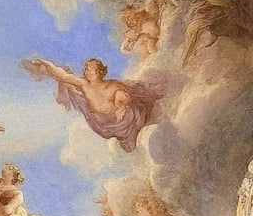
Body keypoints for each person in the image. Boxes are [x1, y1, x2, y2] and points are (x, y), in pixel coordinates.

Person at [22, 56, 159, 153]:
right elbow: (63, 75)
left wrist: (122, 107)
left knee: (124, 101)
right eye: (85, 68)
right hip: (106, 122)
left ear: (99, 71)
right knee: (68, 84)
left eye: (89, 68)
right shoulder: (84, 84)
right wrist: (47, 63)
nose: (85, 70)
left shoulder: (113, 84)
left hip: (124, 119)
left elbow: (127, 96)